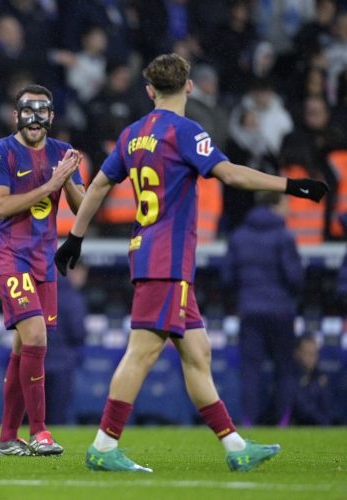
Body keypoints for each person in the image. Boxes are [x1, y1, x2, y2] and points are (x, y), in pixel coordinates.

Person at [55, 53, 328, 472]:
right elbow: (230, 174)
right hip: (167, 258)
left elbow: (99, 184)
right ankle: (104, 446)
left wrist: (75, 236)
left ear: (149, 90)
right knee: (141, 353)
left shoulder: (132, 134)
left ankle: (236, 447)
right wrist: (291, 185)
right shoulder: (185, 131)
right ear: (189, 86)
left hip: (151, 253)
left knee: (198, 353)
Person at [0, 83, 85, 456]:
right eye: (28, 111)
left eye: (42, 111)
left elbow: (83, 208)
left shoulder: (62, 153)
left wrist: (68, 180)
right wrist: (51, 183)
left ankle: (7, 438)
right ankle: (40, 432)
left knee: (23, 345)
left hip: (44, 261)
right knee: (37, 337)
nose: (35, 119)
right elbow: (1, 207)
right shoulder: (0, 152)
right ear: (16, 116)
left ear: (52, 117)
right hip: (9, 256)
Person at [221, 192, 303, 426]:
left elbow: (227, 278)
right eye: (286, 203)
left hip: (249, 310)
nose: (289, 209)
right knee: (285, 369)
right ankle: (283, 423)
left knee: (250, 371)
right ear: (274, 205)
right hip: (281, 311)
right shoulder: (284, 236)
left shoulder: (239, 236)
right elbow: (295, 277)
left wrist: (243, 296)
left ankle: (249, 423)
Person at [46, 261, 88, 425]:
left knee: (35, 415)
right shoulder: (72, 297)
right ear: (72, 271)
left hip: (37, 362)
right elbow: (77, 332)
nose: (83, 278)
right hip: (62, 362)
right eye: (82, 273)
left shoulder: (43, 291)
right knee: (57, 415)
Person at [290, 333, 333, 426]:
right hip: (294, 427)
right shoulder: (289, 377)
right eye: (307, 353)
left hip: (320, 427)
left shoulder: (322, 377)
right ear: (297, 354)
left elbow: (327, 409)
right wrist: (316, 386)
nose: (311, 358)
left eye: (314, 354)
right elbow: (300, 408)